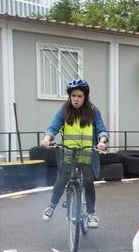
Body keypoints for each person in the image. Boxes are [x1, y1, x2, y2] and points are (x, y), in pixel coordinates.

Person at [40, 78, 108, 227]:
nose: (76, 99)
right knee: (62, 178)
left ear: (85, 97)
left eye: (79, 96)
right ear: (69, 97)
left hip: (87, 154)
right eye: (73, 96)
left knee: (88, 182)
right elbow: (53, 127)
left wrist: (102, 141)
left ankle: (90, 214)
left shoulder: (93, 112)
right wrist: (46, 139)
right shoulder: (64, 110)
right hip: (68, 153)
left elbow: (101, 129)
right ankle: (52, 206)